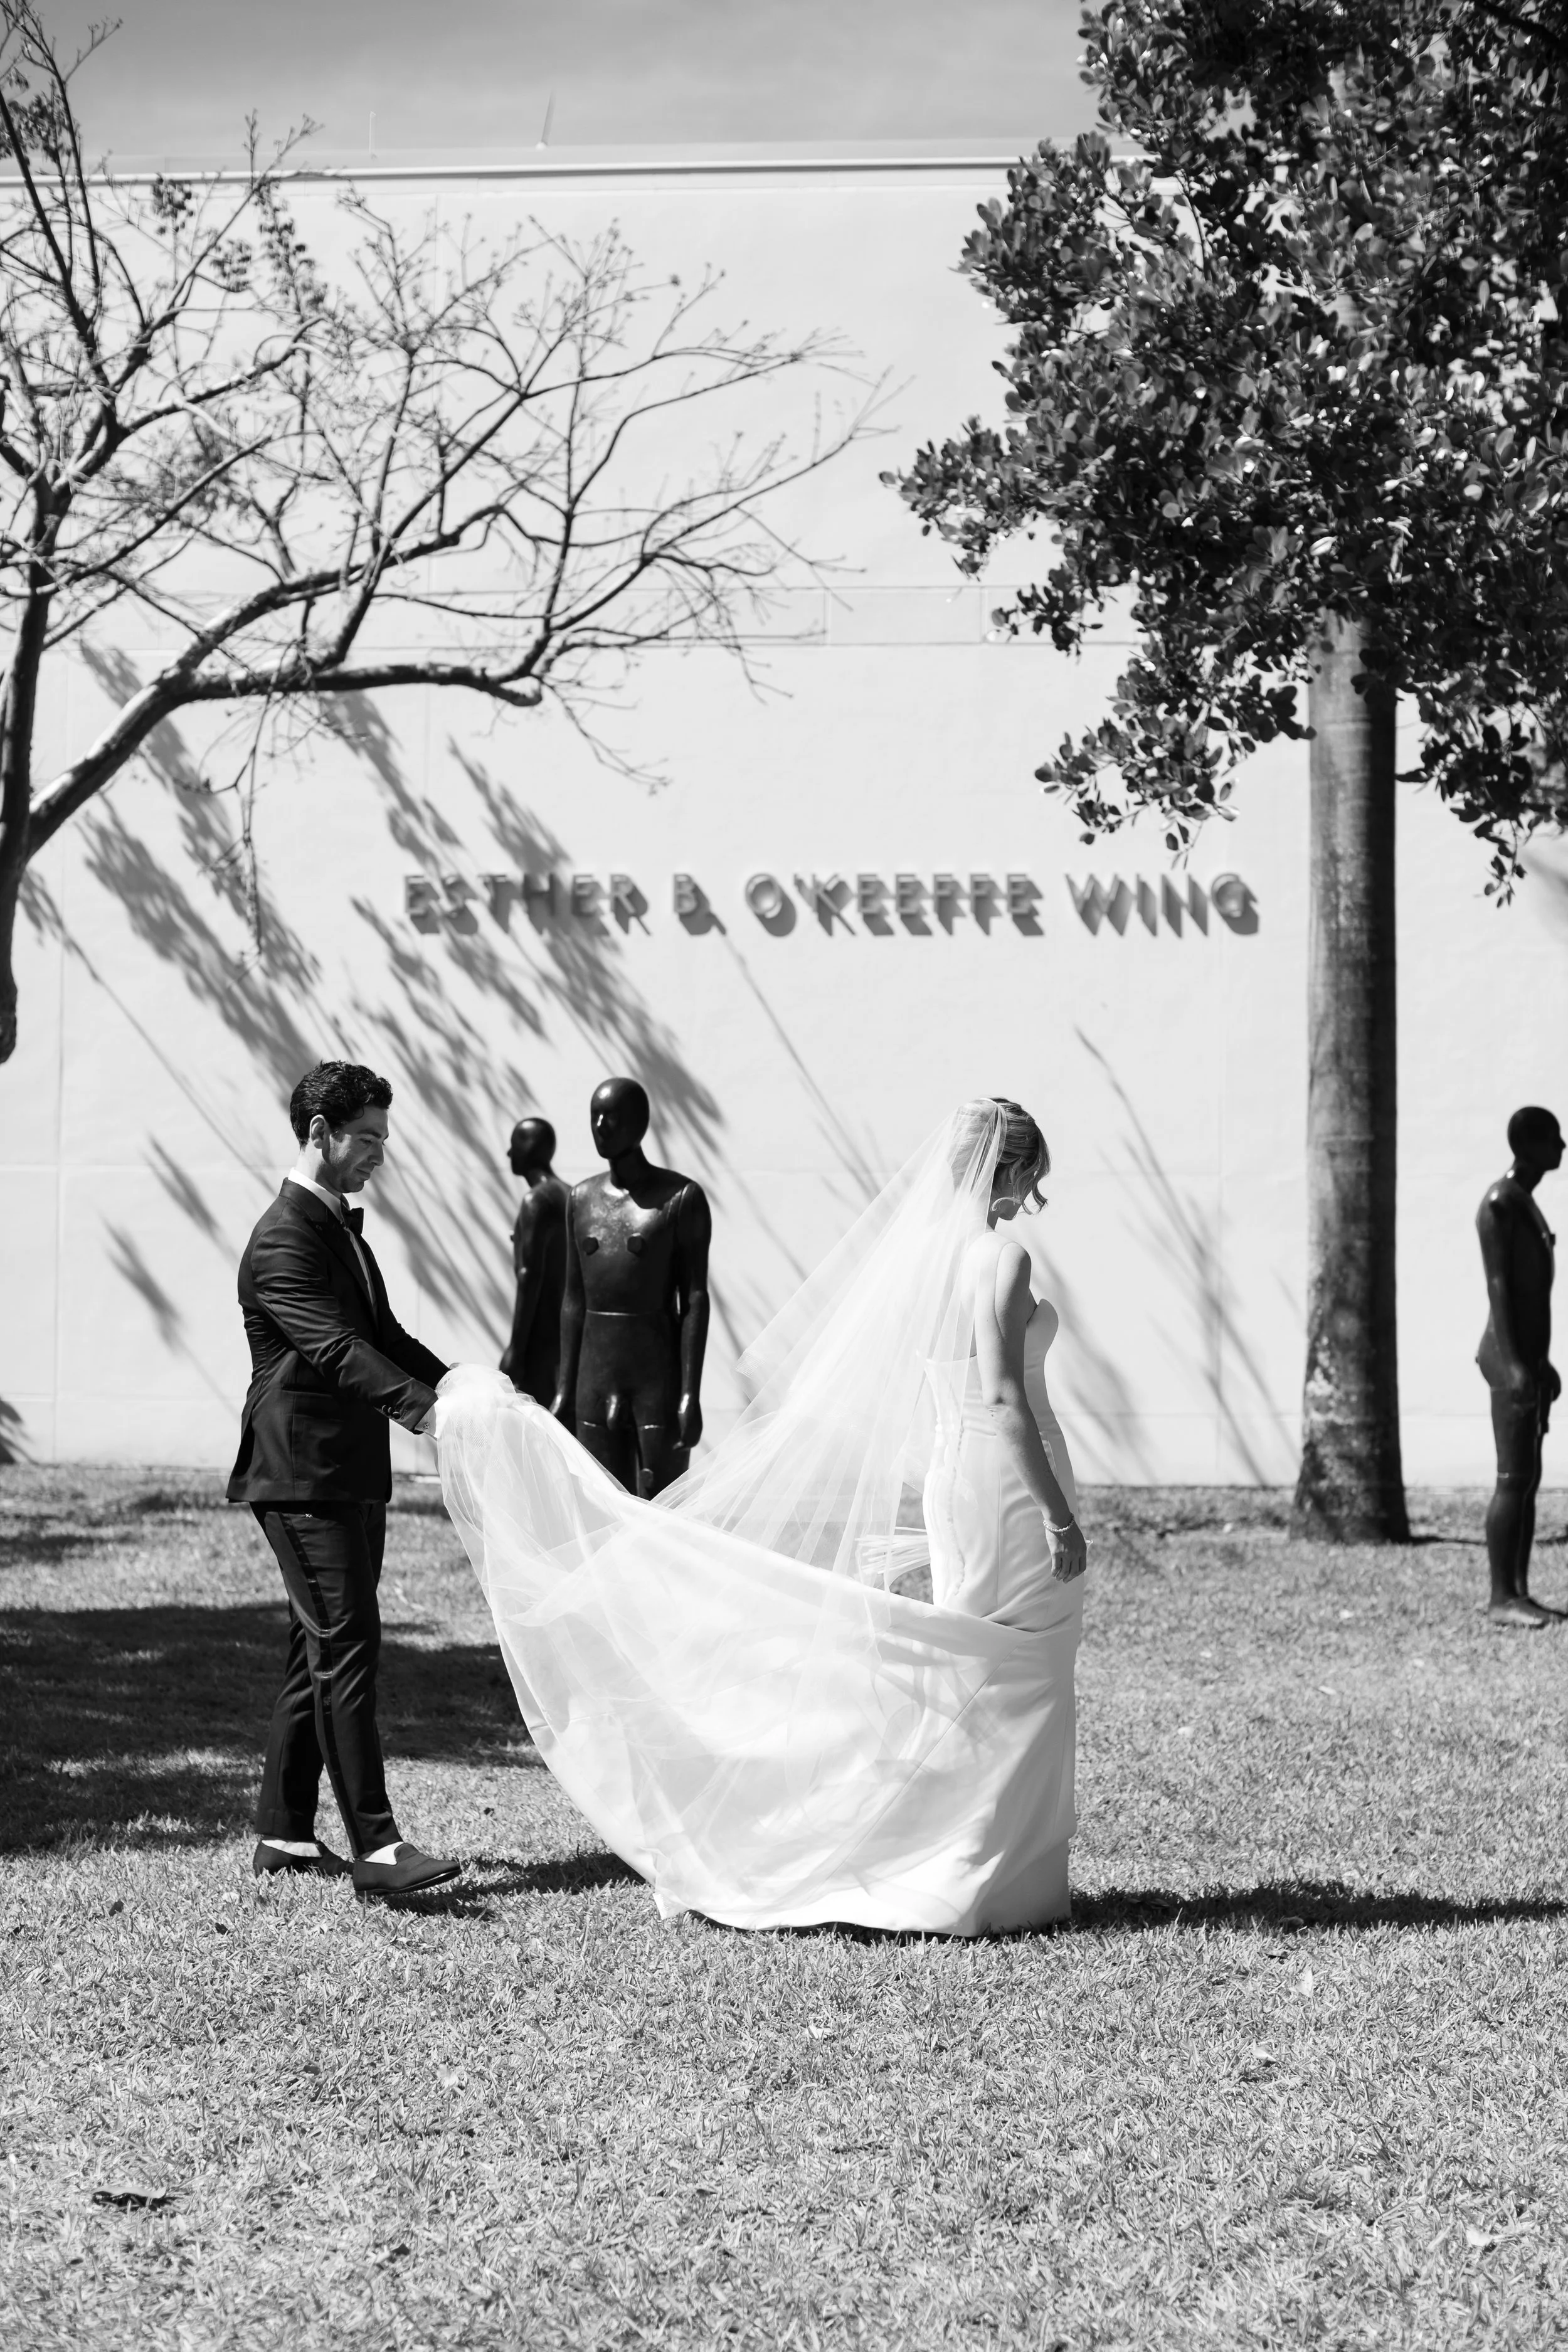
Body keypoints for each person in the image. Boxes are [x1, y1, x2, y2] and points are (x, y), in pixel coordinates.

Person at [437, 1098, 1086, 1936]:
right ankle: (975, 1871)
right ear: (1010, 1168)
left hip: (955, 1477)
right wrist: (1058, 1516)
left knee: (971, 1660)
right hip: (1009, 1477)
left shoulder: (924, 1255)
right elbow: (1001, 1399)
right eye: (1032, 1177)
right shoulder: (1001, 1258)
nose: (1033, 1197)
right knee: (1021, 1661)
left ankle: (960, 1862)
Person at [229, 1061, 462, 1896]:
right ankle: (379, 1847)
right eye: (367, 1138)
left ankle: (286, 1835)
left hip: (350, 1472)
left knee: (316, 1649)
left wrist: (464, 1388)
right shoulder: (282, 1240)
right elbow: (335, 1349)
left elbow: (383, 1334)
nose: (379, 1154)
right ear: (319, 1132)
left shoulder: (342, 1232)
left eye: (383, 1139)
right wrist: (429, 1415)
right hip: (301, 1479)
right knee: (347, 1644)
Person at [552, 1077, 712, 1497]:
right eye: (595, 1116)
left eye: (613, 1117)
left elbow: (694, 1300)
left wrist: (690, 1394)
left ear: (640, 1123)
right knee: (602, 1505)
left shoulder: (680, 1198)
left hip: (656, 1376)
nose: (601, 1126)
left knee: (664, 1503)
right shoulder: (580, 1199)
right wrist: (565, 1389)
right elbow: (573, 1301)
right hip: (595, 1375)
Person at [1476, 1104, 1563, 1628]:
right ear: (1527, 1145)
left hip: (1528, 1358)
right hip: (1507, 1357)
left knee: (1528, 1478)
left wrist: (1541, 1363)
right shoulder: (1500, 1203)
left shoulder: (1525, 1202)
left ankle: (1519, 1592)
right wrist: (1512, 1365)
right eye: (1553, 1138)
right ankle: (1500, 1597)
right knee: (1512, 1477)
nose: (1563, 1147)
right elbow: (1499, 1287)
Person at [499, 1116, 569, 1407]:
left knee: (536, 1425)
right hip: (565, 1336)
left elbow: (530, 1275)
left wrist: (516, 1349)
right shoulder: (568, 1193)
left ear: (529, 1147)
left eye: (514, 1145)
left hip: (540, 1340)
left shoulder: (537, 1200)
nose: (509, 1153)